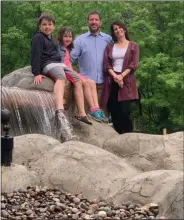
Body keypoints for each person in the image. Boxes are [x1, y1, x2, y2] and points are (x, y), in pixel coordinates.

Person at [31, 13, 92, 128]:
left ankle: (82, 113)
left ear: (54, 26)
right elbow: (35, 55)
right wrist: (37, 73)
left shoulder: (52, 39)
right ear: (40, 26)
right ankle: (59, 108)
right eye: (44, 24)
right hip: (47, 64)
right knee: (61, 77)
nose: (47, 27)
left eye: (50, 24)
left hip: (58, 64)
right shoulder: (38, 37)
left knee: (77, 80)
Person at [57, 27, 108, 122]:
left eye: (70, 37)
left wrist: (73, 70)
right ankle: (93, 109)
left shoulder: (68, 48)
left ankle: (97, 108)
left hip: (70, 71)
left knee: (91, 82)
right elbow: (61, 63)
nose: (68, 39)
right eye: (65, 36)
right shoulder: (60, 48)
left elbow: (69, 62)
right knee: (86, 83)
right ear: (61, 37)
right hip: (64, 71)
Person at [101, 20, 140, 134]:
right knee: (114, 111)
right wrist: (116, 77)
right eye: (115, 29)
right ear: (113, 33)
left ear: (124, 29)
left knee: (125, 112)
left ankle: (129, 138)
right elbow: (107, 64)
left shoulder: (133, 45)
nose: (118, 30)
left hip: (127, 81)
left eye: (119, 28)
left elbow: (134, 64)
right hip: (113, 80)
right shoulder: (110, 47)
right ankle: (118, 139)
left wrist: (121, 76)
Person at [70, 11, 112, 113]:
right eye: (91, 20)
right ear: (88, 22)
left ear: (100, 23)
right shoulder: (80, 40)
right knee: (85, 122)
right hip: (86, 87)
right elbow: (69, 59)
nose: (94, 22)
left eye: (96, 19)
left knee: (103, 120)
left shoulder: (108, 39)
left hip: (104, 86)